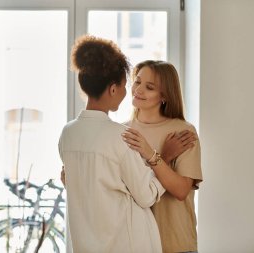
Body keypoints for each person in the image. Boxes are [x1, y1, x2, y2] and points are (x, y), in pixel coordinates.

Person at [58, 35, 165, 253]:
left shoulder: (67, 134)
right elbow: (146, 196)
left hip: (86, 244)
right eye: (126, 86)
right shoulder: (121, 137)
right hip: (127, 244)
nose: (129, 92)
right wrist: (166, 158)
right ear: (113, 89)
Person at [122, 60, 203, 253]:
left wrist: (150, 153)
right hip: (135, 244)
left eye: (149, 87)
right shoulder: (123, 131)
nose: (139, 90)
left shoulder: (182, 131)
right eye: (137, 82)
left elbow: (181, 191)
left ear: (164, 96)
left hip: (176, 243)